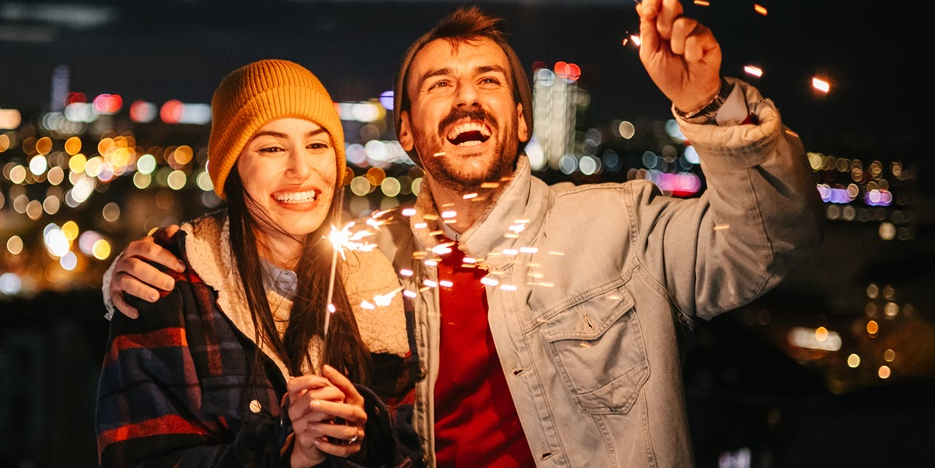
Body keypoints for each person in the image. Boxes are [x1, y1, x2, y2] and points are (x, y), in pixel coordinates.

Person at [102, 1, 824, 466]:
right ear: (408, 130)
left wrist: (713, 107)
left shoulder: (622, 226)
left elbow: (771, 242)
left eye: (487, 81)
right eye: (439, 84)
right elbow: (257, 275)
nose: (466, 96)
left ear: (519, 118)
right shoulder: (366, 261)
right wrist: (149, 262)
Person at [94, 59, 422, 468]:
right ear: (232, 167)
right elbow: (137, 457)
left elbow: (411, 450)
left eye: (317, 145)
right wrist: (285, 453)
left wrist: (365, 441)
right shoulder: (167, 280)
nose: (301, 170)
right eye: (272, 148)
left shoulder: (373, 283)